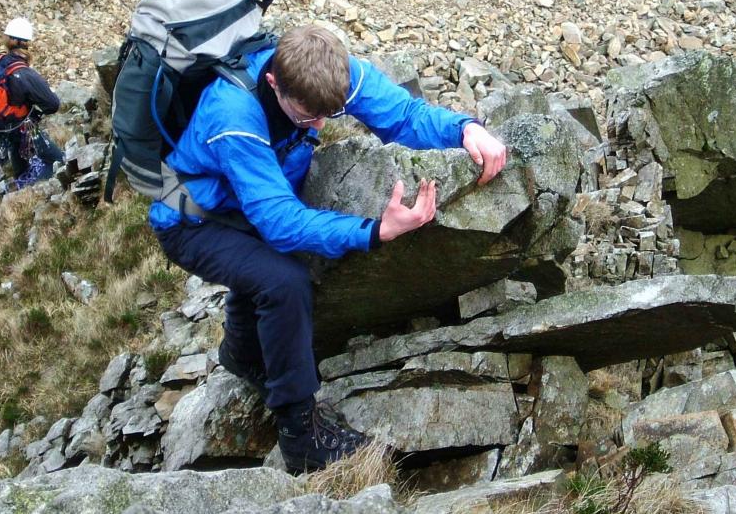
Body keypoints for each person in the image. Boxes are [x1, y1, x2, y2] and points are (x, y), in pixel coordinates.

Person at [150, 24, 507, 471]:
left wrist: (466, 129)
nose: (318, 125)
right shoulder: (233, 115)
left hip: (246, 199)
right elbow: (278, 223)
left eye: (329, 114)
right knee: (284, 280)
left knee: (275, 261)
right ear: (275, 82)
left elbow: (402, 116)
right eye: (306, 117)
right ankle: (300, 434)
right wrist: (373, 232)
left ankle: (242, 352)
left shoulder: (332, 73)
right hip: (192, 221)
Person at [0, 18, 63, 185]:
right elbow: (53, 103)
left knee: (20, 169)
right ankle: (33, 189)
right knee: (59, 162)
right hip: (23, 131)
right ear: (26, 42)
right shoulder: (22, 72)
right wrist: (35, 113)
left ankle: (22, 189)